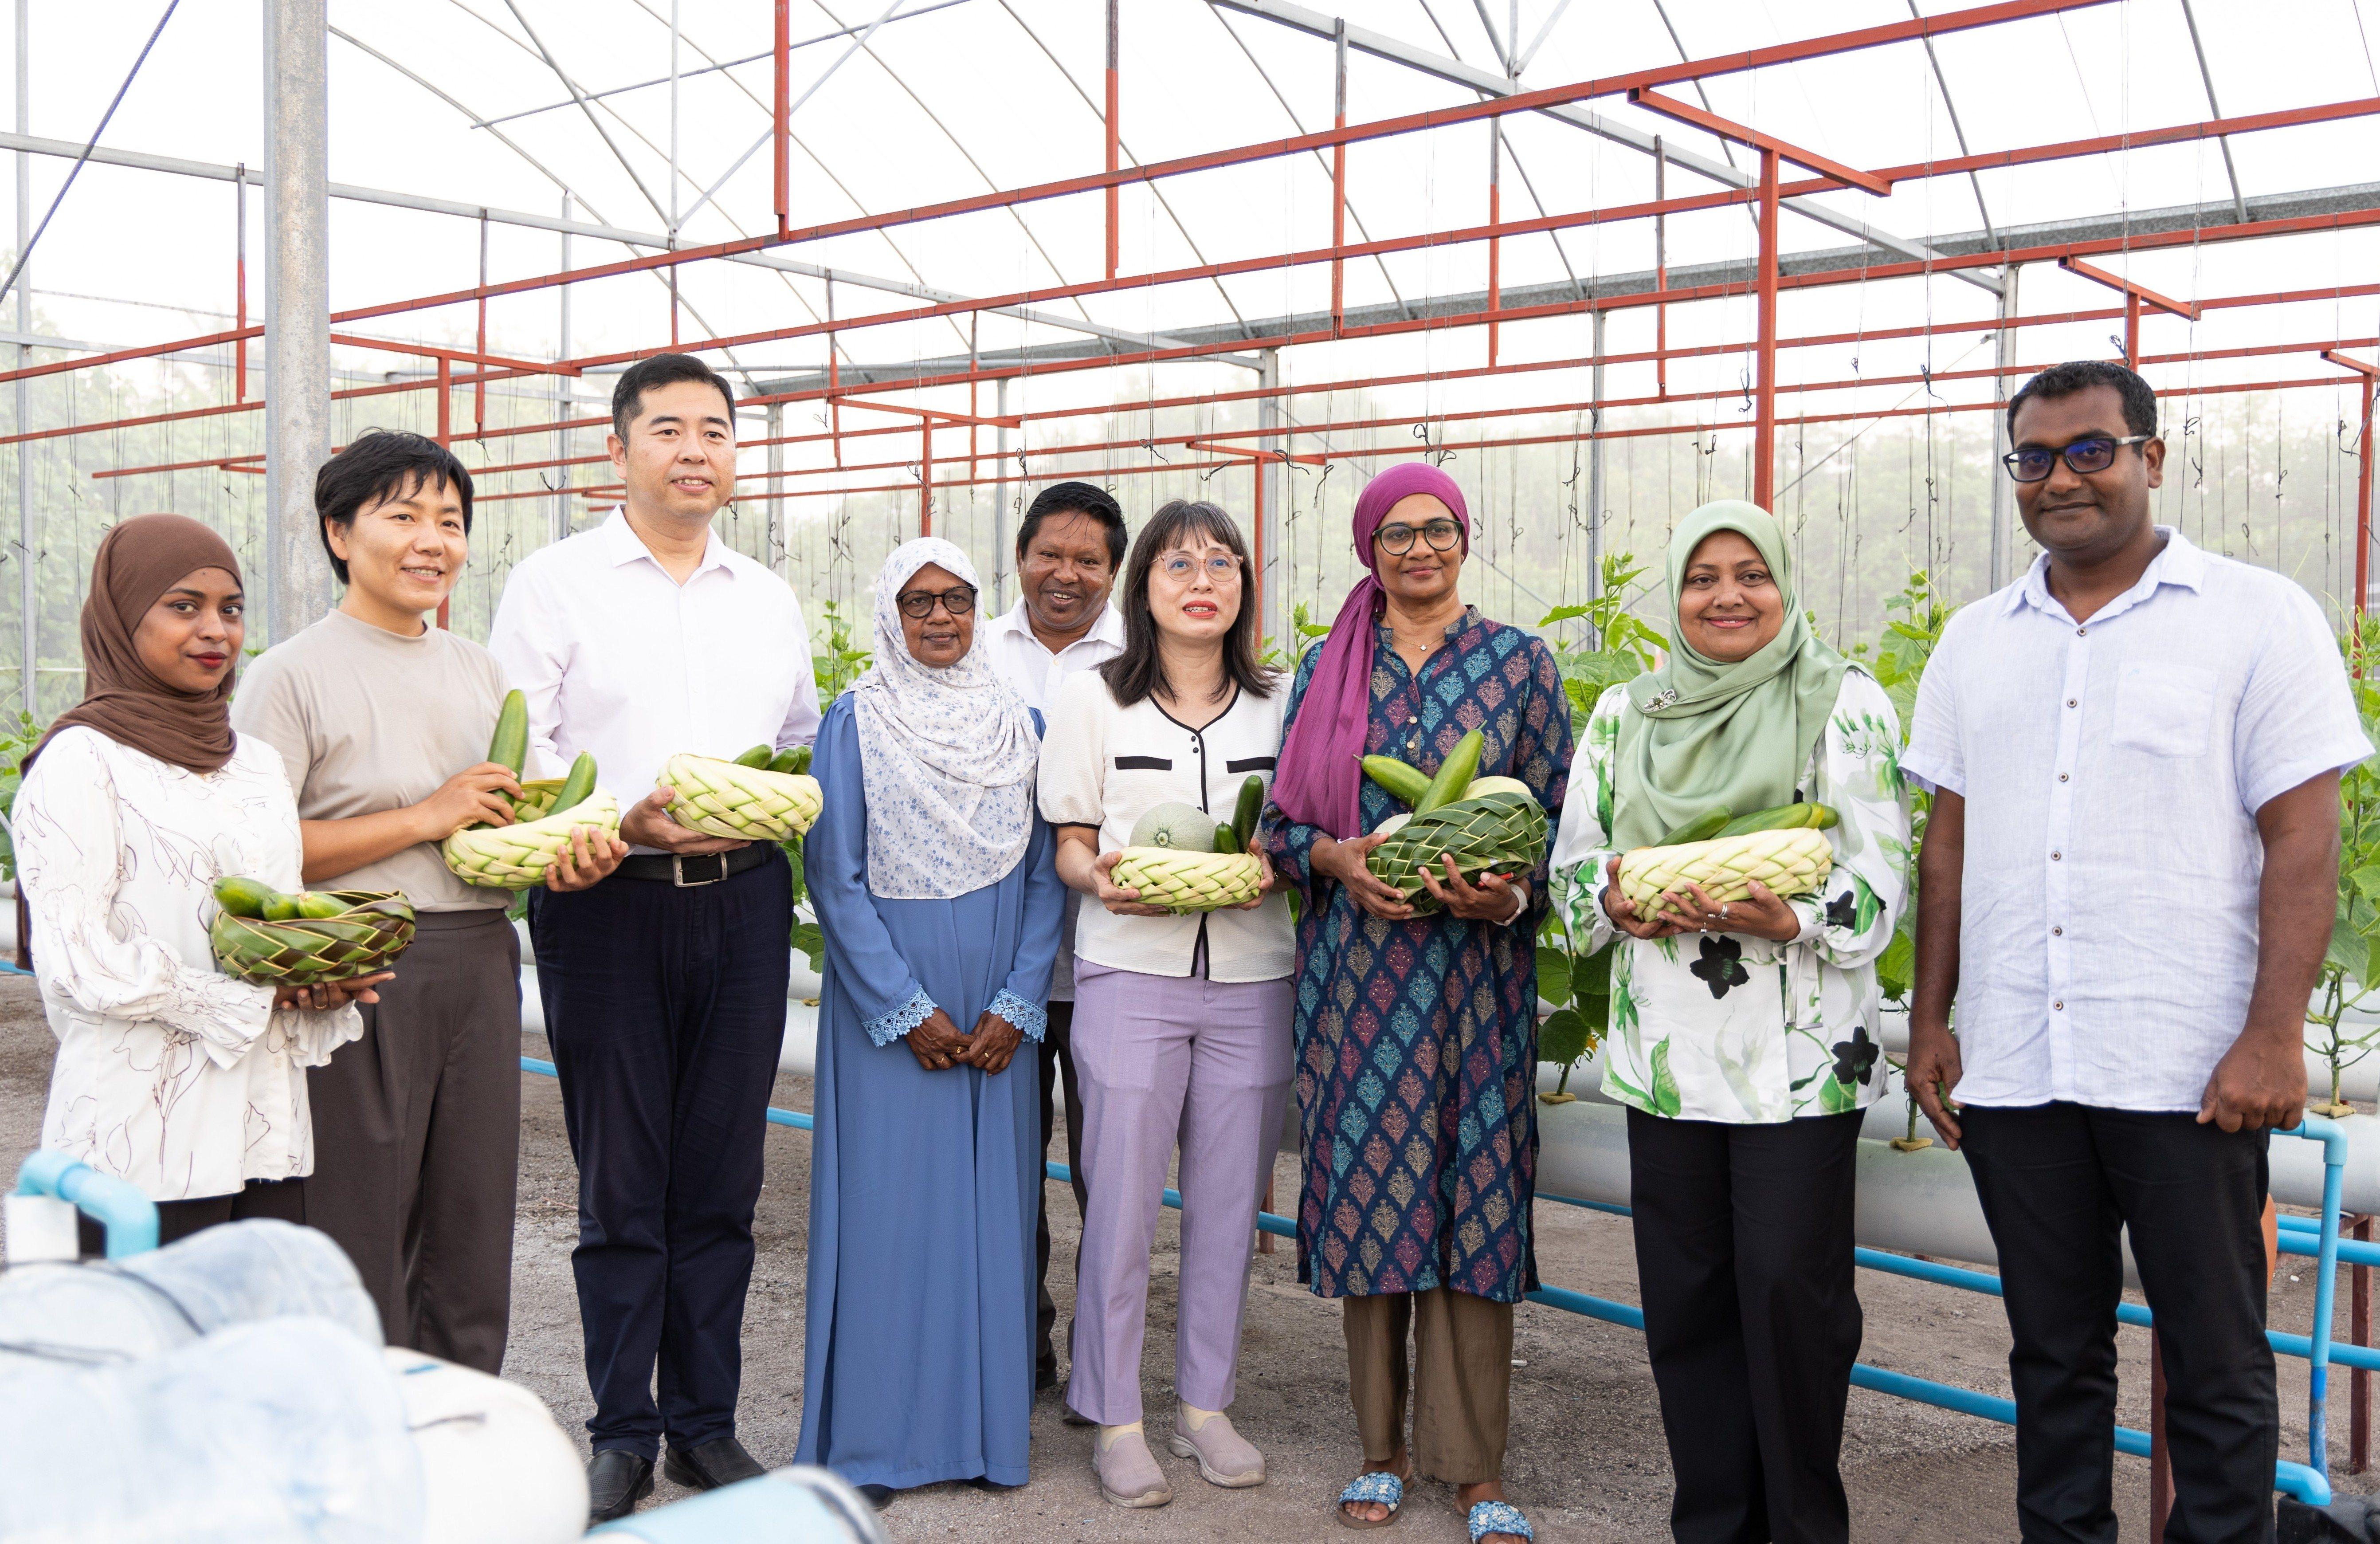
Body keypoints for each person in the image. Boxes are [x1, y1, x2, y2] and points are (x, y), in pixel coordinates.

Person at [1903, 360, 2369, 1544]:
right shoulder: (1975, 642)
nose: (2062, 477)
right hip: (2018, 1061)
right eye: (2035, 458)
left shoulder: (2258, 616)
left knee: (2216, 1363)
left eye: (2092, 449)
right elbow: (1948, 843)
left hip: (2189, 1068)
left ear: (2151, 458)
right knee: (2052, 1360)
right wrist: (1929, 1018)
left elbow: (2301, 838)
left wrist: (2274, 1036)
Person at [489, 353, 822, 1523]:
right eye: (670, 428)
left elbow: (794, 745)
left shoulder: (767, 597)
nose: (697, 450)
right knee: (623, 1185)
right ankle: (621, 1432)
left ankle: (704, 1426)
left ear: (736, 454)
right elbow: (523, 764)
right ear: (618, 448)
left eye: (717, 431)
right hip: (606, 901)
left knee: (722, 1182)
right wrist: (610, 822)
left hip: (741, 902)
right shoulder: (554, 583)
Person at [1551, 499, 1910, 1543]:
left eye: (1748, 573)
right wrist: (1614, 901)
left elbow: (1879, 874)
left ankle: (1803, 1526)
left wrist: (1793, 912)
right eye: (1701, 577)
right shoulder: (1624, 713)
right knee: (1689, 1307)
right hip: (1664, 1059)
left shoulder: (1842, 702)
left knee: (1793, 1307)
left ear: (1783, 583)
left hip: (1798, 1065)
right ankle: (1709, 1524)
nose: (1725, 596)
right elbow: (1573, 872)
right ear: (1673, 593)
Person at [233, 431, 626, 1375]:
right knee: (358, 1209)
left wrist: (565, 853)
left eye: (449, 522)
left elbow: (497, 828)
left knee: (470, 1214)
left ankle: (456, 1426)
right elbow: (255, 848)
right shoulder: (290, 673)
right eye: (402, 516)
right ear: (339, 532)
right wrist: (424, 814)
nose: (431, 541)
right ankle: (355, 1434)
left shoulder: (480, 672)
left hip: (479, 960)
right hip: (355, 968)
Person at [1259, 461, 1570, 1544]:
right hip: (1357, 989)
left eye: (1437, 529)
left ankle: (1474, 1469)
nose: (1419, 550)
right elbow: (1279, 830)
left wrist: (1506, 895)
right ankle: (1381, 1452)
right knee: (1375, 1203)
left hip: (1477, 989)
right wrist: (1340, 862)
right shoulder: (1326, 667)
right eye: (1396, 533)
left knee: (1475, 1202)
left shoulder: (1520, 666)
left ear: (1463, 538)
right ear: (1367, 549)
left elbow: (1555, 825)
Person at [16, 515, 384, 1247]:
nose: (215, 629)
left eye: (232, 608)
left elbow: (278, 924)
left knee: (243, 1353)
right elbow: (79, 961)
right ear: (123, 618)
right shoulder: (82, 760)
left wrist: (315, 982)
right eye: (183, 606)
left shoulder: (254, 763)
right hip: (137, 1141)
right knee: (135, 1353)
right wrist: (252, 996)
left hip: (261, 1134)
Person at [795, 538, 1063, 1506]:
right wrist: (903, 1008)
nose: (941, 617)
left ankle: (985, 1439)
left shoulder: (1020, 722)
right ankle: (873, 1446)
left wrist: (1017, 1004)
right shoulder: (853, 721)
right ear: (889, 617)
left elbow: (1044, 877)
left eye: (956, 598)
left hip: (998, 1008)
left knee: (993, 1220)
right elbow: (835, 874)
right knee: (888, 1217)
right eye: (919, 603)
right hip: (891, 1010)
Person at [1036, 499, 1293, 1509]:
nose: (1203, 579)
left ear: (1242, 587)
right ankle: (1116, 1415)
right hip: (1127, 974)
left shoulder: (1282, 702)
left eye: (1222, 563)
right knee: (1124, 1205)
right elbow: (1068, 836)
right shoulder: (1093, 696)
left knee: (1230, 1205)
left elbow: (1301, 827)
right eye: (1179, 563)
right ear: (1143, 585)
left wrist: (1283, 861)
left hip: (1251, 978)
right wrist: (1098, 878)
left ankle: (1204, 1408)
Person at [980, 479, 1129, 1394]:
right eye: (1050, 554)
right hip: (998, 952)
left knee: (1106, 1166)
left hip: (1113, 951)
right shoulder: (974, 648)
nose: (1065, 574)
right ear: (1020, 555)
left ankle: (1098, 1357)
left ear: (1113, 572)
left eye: (1088, 561)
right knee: (1005, 1158)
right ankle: (1018, 1335)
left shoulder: (1138, 658)